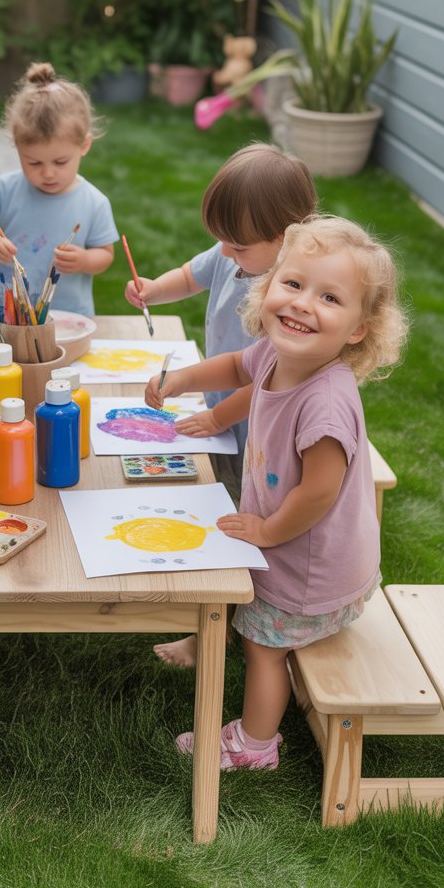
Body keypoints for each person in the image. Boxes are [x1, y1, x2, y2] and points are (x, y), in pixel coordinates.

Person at [145, 216, 408, 771]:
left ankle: (255, 745)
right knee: (224, 575)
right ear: (267, 288)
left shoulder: (326, 403)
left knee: (262, 648)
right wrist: (180, 384)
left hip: (313, 568)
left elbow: (318, 494)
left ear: (360, 328)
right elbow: (237, 368)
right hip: (291, 540)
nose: (302, 304)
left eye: (330, 297)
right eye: (292, 284)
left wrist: (264, 531)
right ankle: (201, 642)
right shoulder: (277, 354)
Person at [126, 142, 317, 668]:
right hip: (227, 418)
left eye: (237, 246)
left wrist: (216, 416)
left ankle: (222, 626)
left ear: (286, 238)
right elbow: (193, 274)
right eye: (223, 243)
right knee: (223, 504)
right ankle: (219, 617)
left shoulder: (292, 300)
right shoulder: (237, 253)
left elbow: (267, 379)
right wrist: (152, 289)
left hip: (263, 434)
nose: (226, 255)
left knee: (242, 521)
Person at [0, 62, 118, 318]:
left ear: (84, 145)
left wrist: (83, 260)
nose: (48, 173)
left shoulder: (95, 202)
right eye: (33, 162)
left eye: (60, 162)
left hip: (63, 316)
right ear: (18, 147)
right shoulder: (4, 189)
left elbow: (105, 255)